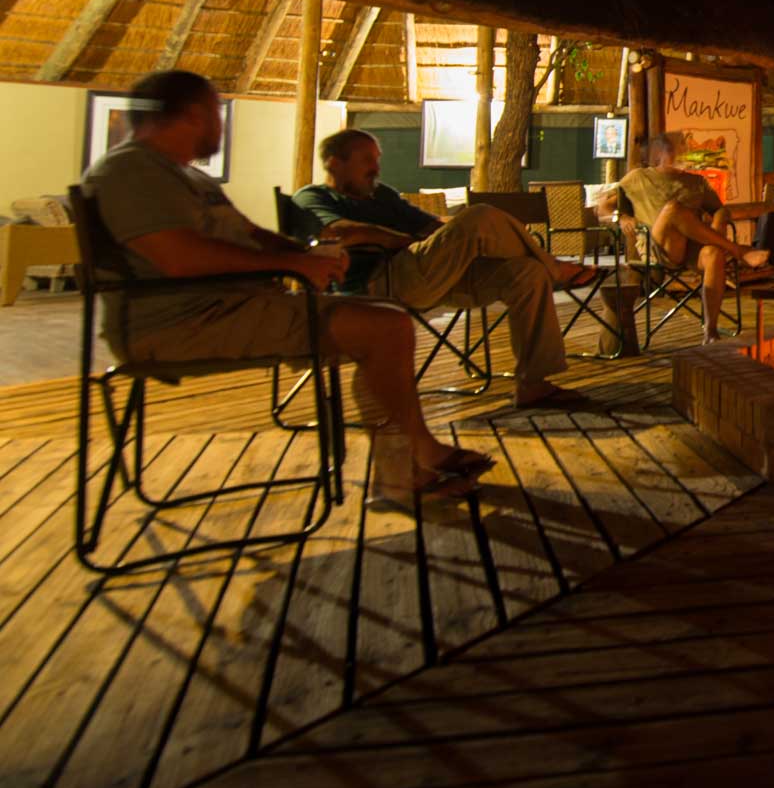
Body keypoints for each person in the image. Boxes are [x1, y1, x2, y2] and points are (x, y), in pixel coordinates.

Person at [84, 71, 491, 503]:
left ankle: (402, 471)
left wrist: (306, 256)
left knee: (382, 325)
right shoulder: (129, 170)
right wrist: (289, 264)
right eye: (216, 113)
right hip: (179, 323)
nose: (220, 125)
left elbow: (253, 234)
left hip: (229, 307)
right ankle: (414, 459)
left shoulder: (188, 177)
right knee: (385, 329)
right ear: (193, 114)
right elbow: (179, 256)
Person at [294, 129, 602, 408]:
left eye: (377, 159)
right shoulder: (313, 196)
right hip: (379, 282)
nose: (375, 168)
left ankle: (533, 384)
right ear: (335, 163)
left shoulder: (381, 194)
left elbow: (429, 225)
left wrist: (473, 227)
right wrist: (398, 239)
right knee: (481, 215)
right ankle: (555, 268)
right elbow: (337, 232)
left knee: (526, 273)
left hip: (428, 275)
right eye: (366, 160)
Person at [593, 137, 769, 342]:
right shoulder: (638, 178)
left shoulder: (696, 181)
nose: (681, 157)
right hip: (657, 247)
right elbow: (602, 208)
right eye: (675, 153)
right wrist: (621, 217)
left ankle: (710, 331)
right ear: (660, 155)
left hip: (690, 248)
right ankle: (739, 251)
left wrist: (720, 220)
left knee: (713, 254)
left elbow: (720, 209)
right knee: (673, 209)